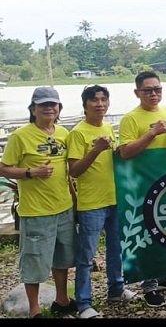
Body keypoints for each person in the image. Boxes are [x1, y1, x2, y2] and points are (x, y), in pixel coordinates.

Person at [0, 87, 76, 318]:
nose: (49, 108)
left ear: (59, 108)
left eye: (53, 104)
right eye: (43, 105)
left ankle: (62, 300)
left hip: (64, 208)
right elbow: (3, 168)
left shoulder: (63, 133)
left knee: (62, 258)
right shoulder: (20, 136)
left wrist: (75, 200)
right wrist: (30, 172)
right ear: (33, 109)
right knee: (33, 260)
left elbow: (68, 171)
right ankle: (34, 310)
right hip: (36, 211)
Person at [117, 71, 166, 307]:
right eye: (148, 90)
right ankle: (149, 286)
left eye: (157, 89)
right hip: (143, 184)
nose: (154, 94)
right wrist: (151, 133)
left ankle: (164, 275)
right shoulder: (130, 119)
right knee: (147, 234)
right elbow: (125, 152)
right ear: (137, 92)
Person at [68, 85, 136, 318]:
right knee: (86, 257)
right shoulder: (78, 133)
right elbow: (74, 170)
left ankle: (116, 289)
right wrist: (95, 150)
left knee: (116, 249)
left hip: (114, 198)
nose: (100, 104)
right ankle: (83, 303)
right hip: (91, 204)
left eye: (103, 99)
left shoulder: (107, 127)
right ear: (85, 104)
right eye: (94, 100)